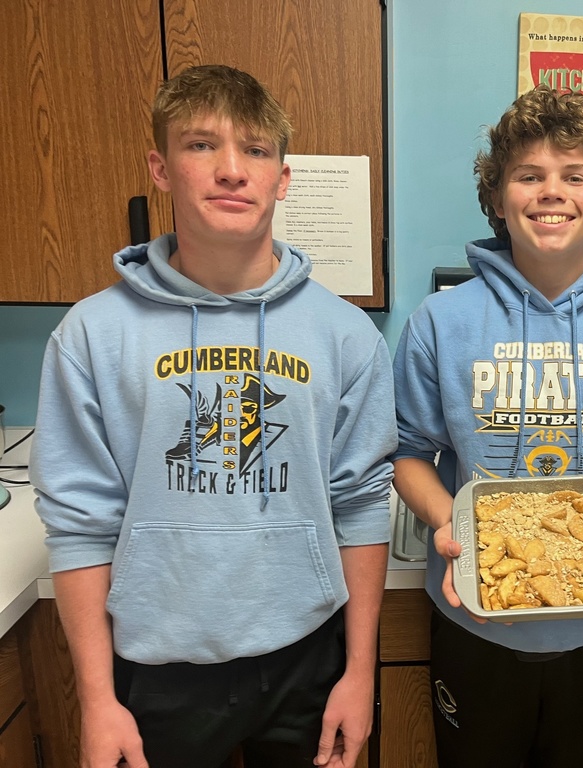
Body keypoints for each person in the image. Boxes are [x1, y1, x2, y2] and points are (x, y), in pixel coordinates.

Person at [30, 64, 397, 768]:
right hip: (157, 671)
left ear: (282, 177)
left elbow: (360, 508)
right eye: (201, 145)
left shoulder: (346, 335)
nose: (232, 170)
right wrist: (98, 702)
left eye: (255, 150)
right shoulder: (92, 334)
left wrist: (360, 674)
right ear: (160, 168)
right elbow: (80, 524)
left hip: (309, 662)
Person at [390, 85, 583, 768]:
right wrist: (454, 527)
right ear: (498, 198)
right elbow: (409, 453)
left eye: (574, 176)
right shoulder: (439, 325)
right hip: (475, 622)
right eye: (528, 176)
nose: (550, 192)